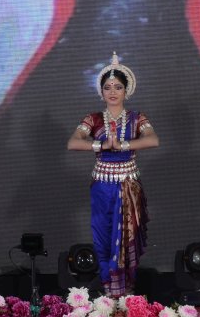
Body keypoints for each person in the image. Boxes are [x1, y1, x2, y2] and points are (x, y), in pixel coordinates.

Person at [67, 53, 158, 296]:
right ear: (101, 91)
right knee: (103, 239)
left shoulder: (138, 118)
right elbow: (73, 142)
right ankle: (108, 293)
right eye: (107, 87)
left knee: (126, 240)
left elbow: (152, 139)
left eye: (118, 87)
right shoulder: (94, 119)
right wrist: (101, 146)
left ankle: (125, 293)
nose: (113, 92)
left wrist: (126, 145)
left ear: (126, 90)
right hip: (102, 186)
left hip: (128, 186)